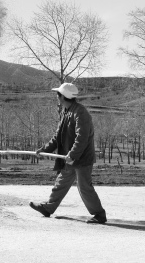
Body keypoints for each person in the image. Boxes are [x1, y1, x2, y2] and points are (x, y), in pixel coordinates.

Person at [29, 83, 107, 224]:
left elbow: (81, 137)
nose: (56, 97)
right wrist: (44, 149)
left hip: (81, 158)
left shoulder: (80, 113)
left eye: (57, 95)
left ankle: (99, 215)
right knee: (61, 182)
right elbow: (57, 136)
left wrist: (73, 155)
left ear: (62, 97)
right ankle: (48, 208)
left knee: (84, 187)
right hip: (70, 157)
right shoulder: (66, 111)